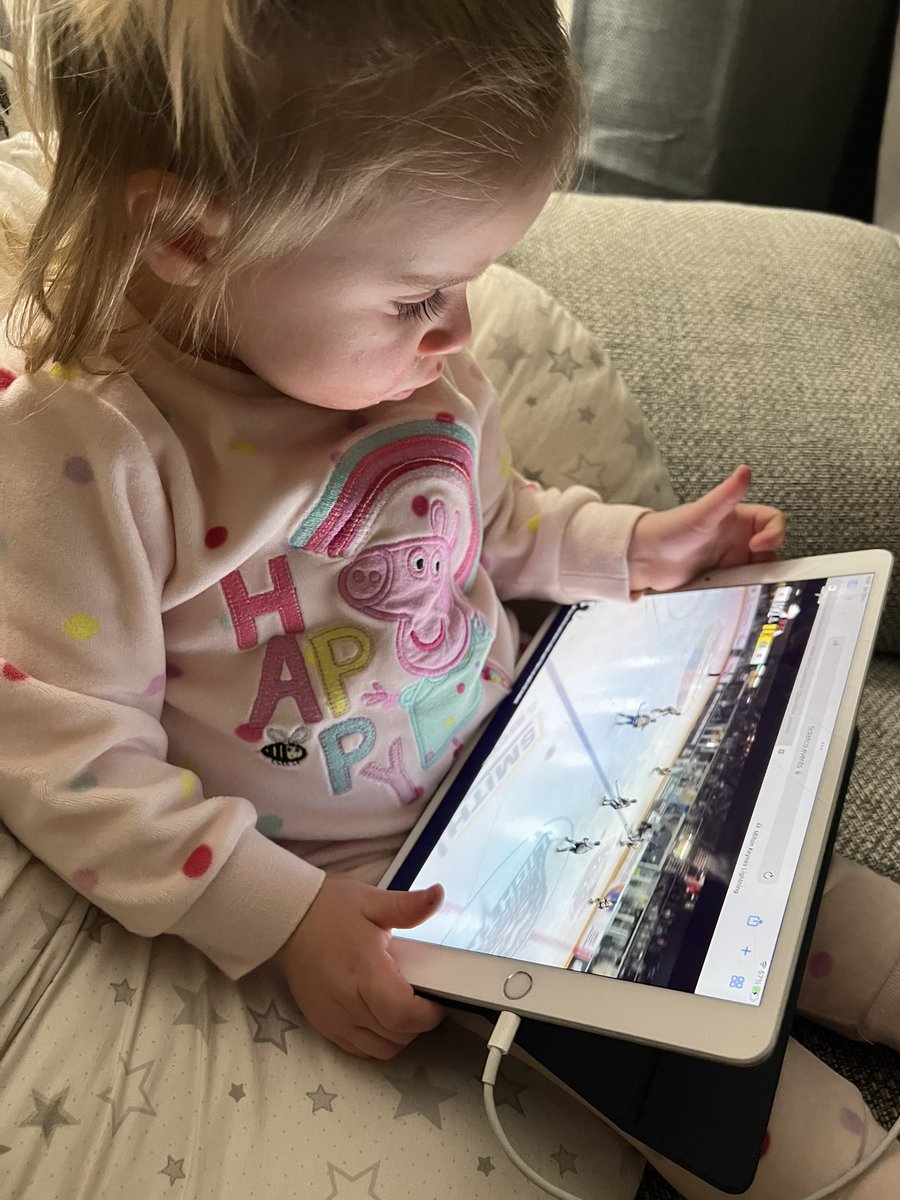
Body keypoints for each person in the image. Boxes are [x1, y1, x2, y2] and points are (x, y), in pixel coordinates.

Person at [0, 3, 897, 1198]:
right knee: (753, 1110)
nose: (460, 331)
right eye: (420, 294)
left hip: (561, 738)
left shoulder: (412, 362)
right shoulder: (91, 449)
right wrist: (286, 919)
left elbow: (501, 520)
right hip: (412, 874)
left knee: (812, 895)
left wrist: (635, 546)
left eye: (470, 283)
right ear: (183, 238)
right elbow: (69, 754)